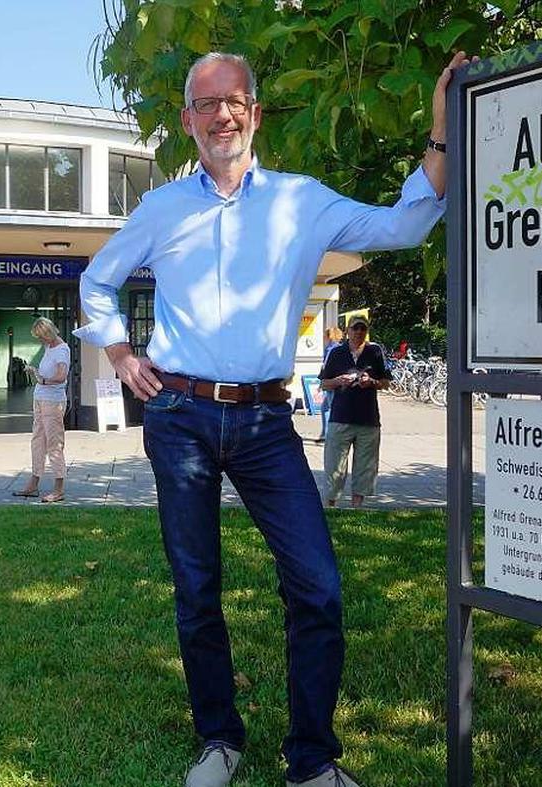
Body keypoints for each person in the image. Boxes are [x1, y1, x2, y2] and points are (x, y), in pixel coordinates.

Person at [76, 50, 470, 787]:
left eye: (233, 100)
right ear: (188, 120)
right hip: (180, 415)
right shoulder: (162, 208)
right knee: (197, 586)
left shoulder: (301, 200)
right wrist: (123, 356)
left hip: (264, 422)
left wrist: (441, 132)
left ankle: (311, 759)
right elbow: (96, 283)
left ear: (254, 112)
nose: (220, 114)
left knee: (317, 584)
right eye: (204, 104)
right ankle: (219, 739)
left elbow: (405, 224)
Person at [319, 317, 391, 508]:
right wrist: (339, 381)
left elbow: (385, 381)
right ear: (347, 330)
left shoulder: (374, 351)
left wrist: (372, 382)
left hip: (368, 419)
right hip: (340, 417)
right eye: (355, 328)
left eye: (363, 328)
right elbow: (324, 383)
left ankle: (357, 508)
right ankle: (330, 505)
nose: (359, 331)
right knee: (334, 465)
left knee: (365, 467)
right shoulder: (336, 353)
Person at [12, 317, 71, 503]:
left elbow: (61, 376)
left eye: (40, 337)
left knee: (54, 443)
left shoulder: (62, 349)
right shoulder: (49, 347)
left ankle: (59, 489)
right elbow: (47, 373)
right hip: (40, 399)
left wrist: (43, 380)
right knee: (37, 441)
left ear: (48, 334)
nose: (39, 341)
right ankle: (33, 484)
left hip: (53, 402)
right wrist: (36, 372)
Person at [314, 326, 344, 443]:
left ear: (328, 336)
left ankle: (331, 436)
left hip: (330, 382)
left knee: (331, 408)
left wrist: (322, 382)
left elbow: (325, 366)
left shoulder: (330, 349)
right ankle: (325, 434)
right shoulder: (340, 347)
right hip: (337, 381)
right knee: (326, 407)